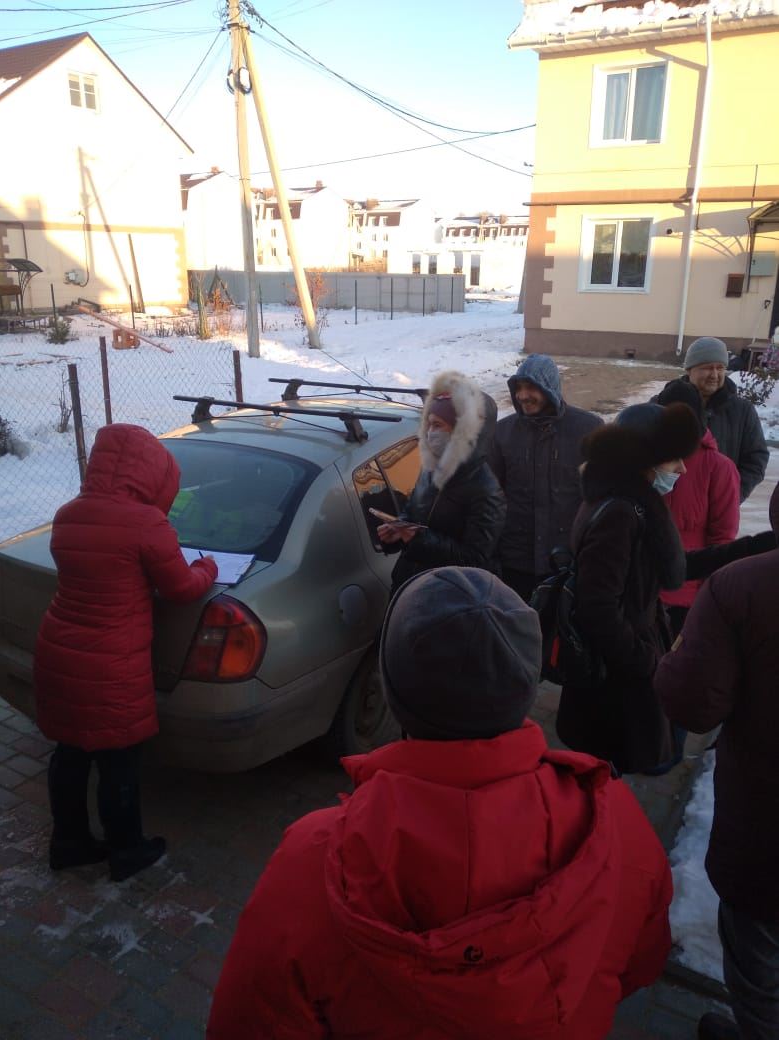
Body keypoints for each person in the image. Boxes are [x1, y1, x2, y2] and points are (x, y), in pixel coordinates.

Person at [207, 566, 673, 1040]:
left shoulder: (318, 859)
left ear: (395, 693)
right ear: (527, 684)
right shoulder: (611, 815)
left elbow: (247, 1022)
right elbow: (641, 962)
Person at [34, 424, 217, 882]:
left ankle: (69, 843)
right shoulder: (145, 523)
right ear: (150, 473)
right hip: (111, 661)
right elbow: (180, 588)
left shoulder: (68, 513)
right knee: (118, 761)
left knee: (70, 754)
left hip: (60, 648)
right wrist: (207, 566)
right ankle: (127, 850)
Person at [655, 484, 779, 1040]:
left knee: (759, 968)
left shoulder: (746, 585)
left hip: (766, 834)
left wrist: (667, 662)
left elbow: (694, 705)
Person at [556, 401, 701, 775]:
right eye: (673, 461)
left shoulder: (625, 500)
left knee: (611, 765)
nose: (682, 469)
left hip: (623, 665)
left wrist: (757, 547)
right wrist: (646, 662)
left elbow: (660, 569)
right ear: (646, 461)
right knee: (608, 769)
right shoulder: (622, 511)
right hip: (616, 679)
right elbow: (598, 607)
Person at [377, 369, 505, 592]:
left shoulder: (486, 490)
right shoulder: (431, 469)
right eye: (428, 424)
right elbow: (412, 513)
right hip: (409, 586)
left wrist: (418, 538)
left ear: (461, 432)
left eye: (437, 426)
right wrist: (397, 532)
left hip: (448, 598)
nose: (429, 434)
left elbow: (475, 560)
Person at [489, 353, 602, 602]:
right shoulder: (502, 433)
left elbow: (600, 499)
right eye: (518, 388)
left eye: (531, 387)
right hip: (515, 562)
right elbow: (492, 498)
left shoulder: (588, 430)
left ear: (550, 388)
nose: (522, 395)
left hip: (566, 562)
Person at [655, 380, 740, 639]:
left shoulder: (719, 468)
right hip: (643, 593)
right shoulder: (647, 457)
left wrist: (708, 597)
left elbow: (723, 540)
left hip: (688, 599)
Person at [657, 336, 767, 502]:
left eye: (720, 368)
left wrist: (731, 495)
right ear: (689, 370)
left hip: (720, 509)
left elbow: (756, 459)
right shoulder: (664, 404)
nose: (714, 375)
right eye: (707, 368)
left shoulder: (742, 410)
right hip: (671, 507)